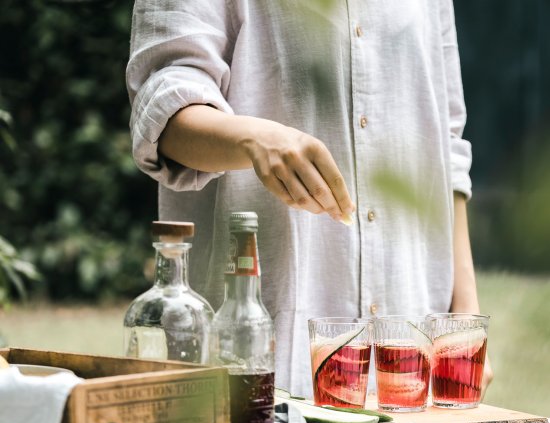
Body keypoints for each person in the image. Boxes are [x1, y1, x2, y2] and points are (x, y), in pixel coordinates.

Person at [126, 0, 493, 398]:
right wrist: (255, 139)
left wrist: (466, 319)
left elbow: (447, 140)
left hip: (411, 335)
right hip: (266, 332)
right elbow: (161, 109)